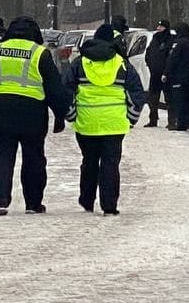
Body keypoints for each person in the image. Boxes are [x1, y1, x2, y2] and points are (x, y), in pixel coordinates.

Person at [0, 15, 68, 216]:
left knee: (0, 156)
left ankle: (1, 199)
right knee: (33, 157)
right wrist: (60, 115)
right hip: (32, 112)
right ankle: (33, 203)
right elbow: (54, 88)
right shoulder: (39, 53)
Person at [63, 23, 147, 214]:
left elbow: (66, 90)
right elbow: (137, 94)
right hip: (114, 124)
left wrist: (71, 115)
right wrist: (131, 119)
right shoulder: (122, 64)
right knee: (110, 164)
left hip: (86, 122)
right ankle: (109, 206)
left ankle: (86, 200)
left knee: (89, 161)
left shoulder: (80, 63)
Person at [164, 22, 189, 131]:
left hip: (177, 76)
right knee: (187, 100)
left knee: (178, 100)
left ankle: (181, 123)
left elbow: (173, 59)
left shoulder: (179, 43)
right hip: (188, 75)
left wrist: (166, 73)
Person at [144, 20, 175, 128]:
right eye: (158, 26)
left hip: (166, 74)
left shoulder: (170, 40)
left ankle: (171, 121)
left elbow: (170, 57)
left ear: (165, 28)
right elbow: (149, 52)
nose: (158, 28)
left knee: (169, 98)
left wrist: (166, 71)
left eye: (161, 26)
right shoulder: (155, 38)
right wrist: (149, 63)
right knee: (152, 98)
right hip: (155, 73)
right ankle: (153, 119)